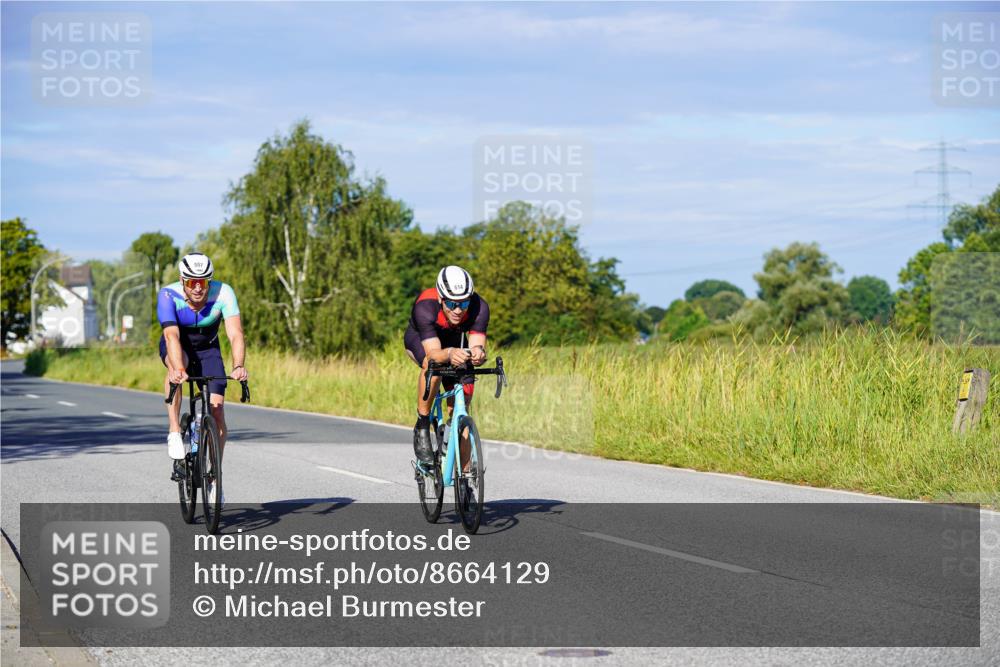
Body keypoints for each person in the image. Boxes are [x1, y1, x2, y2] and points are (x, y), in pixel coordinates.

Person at [157, 252, 248, 505]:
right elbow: (171, 337)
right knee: (177, 368)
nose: (198, 287)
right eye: (191, 281)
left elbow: (235, 334)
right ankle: (175, 429)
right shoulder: (168, 295)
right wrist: (177, 367)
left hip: (208, 349)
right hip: (180, 346)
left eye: (203, 282)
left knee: (217, 412)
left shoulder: (224, 293)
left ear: (210, 281)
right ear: (182, 280)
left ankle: (214, 476)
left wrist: (238, 365)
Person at [403, 265, 490, 465]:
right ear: (441, 298)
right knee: (432, 366)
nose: (458, 310)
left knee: (462, 409)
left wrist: (478, 354)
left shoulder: (480, 307)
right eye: (451, 303)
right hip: (422, 340)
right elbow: (434, 354)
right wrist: (450, 353)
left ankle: (466, 476)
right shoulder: (425, 306)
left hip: (456, 343)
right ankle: (423, 424)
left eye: (464, 303)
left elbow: (477, 344)